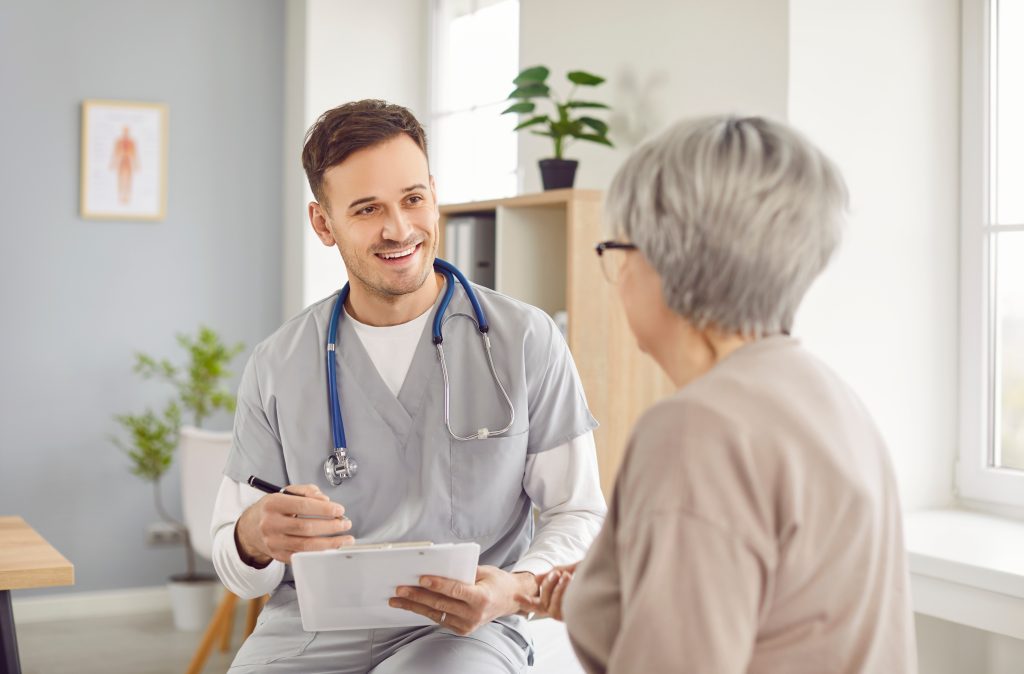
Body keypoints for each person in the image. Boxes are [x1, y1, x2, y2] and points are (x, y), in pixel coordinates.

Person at [210, 99, 606, 673]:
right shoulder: (278, 363)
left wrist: (514, 587)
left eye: (413, 199)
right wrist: (252, 537)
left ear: (434, 195)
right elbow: (237, 567)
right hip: (311, 633)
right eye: (367, 209)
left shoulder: (524, 340)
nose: (399, 229)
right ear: (323, 224)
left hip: (463, 631)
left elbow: (579, 512)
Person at [520, 115, 918, 673]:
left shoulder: (697, 431)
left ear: (672, 262)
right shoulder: (835, 399)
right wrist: (607, 596)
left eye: (619, 248)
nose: (619, 273)